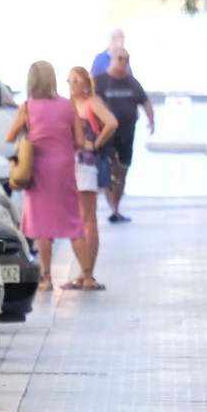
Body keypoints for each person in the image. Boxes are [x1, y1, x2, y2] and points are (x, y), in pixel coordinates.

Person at [5, 61, 85, 291]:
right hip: (64, 168)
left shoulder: (27, 107)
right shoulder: (68, 106)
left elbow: (10, 137)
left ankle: (47, 278)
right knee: (73, 221)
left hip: (37, 168)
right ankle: (87, 274)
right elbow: (79, 141)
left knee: (42, 225)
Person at [66, 66, 119, 291]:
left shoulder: (91, 102)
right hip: (71, 164)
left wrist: (95, 144)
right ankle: (83, 271)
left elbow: (112, 123)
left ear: (85, 84)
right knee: (77, 217)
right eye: (69, 81)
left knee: (87, 217)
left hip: (86, 163)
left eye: (76, 81)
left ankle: (88, 272)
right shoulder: (68, 104)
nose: (72, 85)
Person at [94, 46, 154, 224]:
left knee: (122, 172)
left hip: (127, 134)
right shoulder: (100, 80)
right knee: (110, 171)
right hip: (107, 134)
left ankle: (116, 208)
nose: (123, 63)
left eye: (126, 59)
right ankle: (113, 208)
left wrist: (151, 120)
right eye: (119, 58)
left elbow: (145, 101)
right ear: (112, 59)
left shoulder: (132, 83)